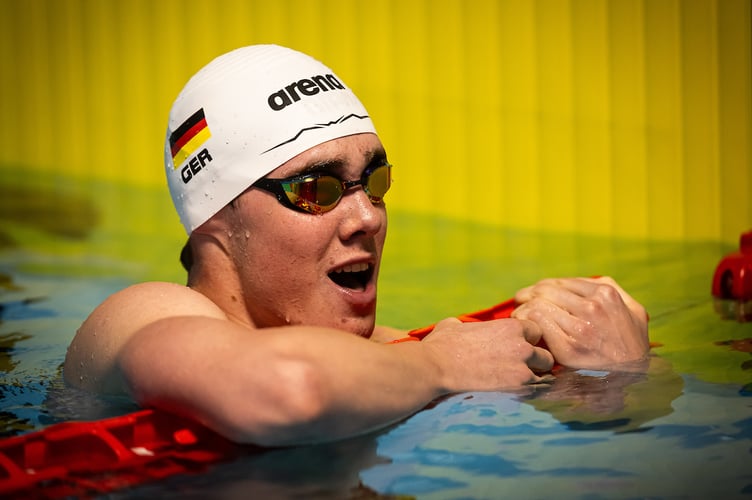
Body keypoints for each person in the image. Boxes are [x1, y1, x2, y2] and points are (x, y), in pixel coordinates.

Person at [63, 45, 649, 446]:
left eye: (374, 181)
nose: (367, 216)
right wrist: (442, 363)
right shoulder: (143, 317)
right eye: (315, 190)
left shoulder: (382, 356)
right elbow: (286, 389)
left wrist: (619, 374)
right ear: (217, 222)